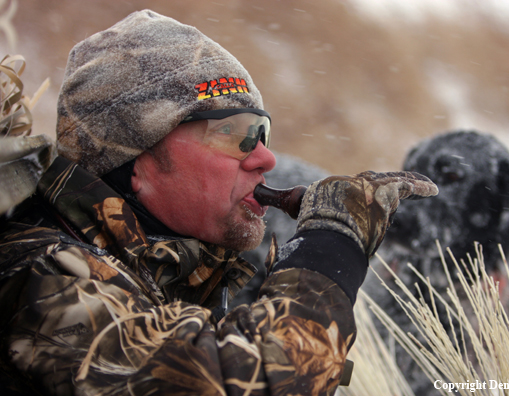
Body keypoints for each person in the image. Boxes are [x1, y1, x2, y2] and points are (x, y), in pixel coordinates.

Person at [0, 10, 437, 395]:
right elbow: (246, 381)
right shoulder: (41, 277)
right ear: (136, 158)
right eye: (235, 133)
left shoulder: (176, 275)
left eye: (262, 133)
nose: (266, 157)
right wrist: (328, 248)